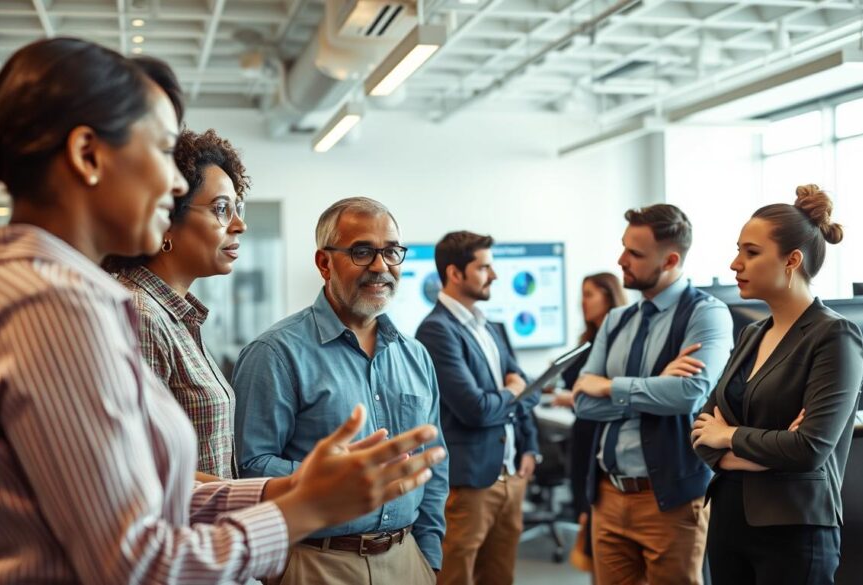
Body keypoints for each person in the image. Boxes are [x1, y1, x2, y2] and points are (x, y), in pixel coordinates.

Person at [0, 38, 444, 584]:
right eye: (159, 150)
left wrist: (289, 489)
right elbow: (136, 562)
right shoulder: (56, 309)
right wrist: (304, 510)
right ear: (88, 155)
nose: (176, 182)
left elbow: (157, 496)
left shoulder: (53, 291)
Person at [232, 197, 449, 585]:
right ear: (324, 263)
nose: (381, 267)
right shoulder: (275, 354)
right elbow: (251, 467)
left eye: (391, 252)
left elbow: (433, 464)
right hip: (319, 562)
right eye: (362, 252)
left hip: (407, 559)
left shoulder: (415, 355)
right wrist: (340, 479)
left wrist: (429, 557)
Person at [692, 185, 863, 585]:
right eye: (738, 250)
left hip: (793, 530)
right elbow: (701, 434)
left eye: (751, 253)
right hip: (729, 522)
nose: (736, 263)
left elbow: (808, 450)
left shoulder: (834, 336)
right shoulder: (752, 333)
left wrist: (729, 435)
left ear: (792, 260)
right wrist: (763, 450)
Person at [572, 204, 733, 585]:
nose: (621, 260)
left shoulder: (707, 314)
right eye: (624, 247)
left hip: (670, 500)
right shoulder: (616, 319)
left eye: (635, 253)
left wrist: (613, 386)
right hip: (608, 495)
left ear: (671, 259)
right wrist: (656, 384)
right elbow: (582, 401)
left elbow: (688, 394)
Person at [105, 128, 249, 479]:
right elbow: (140, 469)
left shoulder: (177, 316)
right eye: (221, 209)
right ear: (166, 221)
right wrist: (280, 494)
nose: (239, 225)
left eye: (237, 208)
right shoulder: (141, 314)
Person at [415, 231, 541, 585]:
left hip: (511, 474)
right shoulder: (435, 331)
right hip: (469, 483)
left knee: (500, 575)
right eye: (484, 267)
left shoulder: (492, 326)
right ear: (455, 273)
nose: (494, 275)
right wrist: (514, 392)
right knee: (456, 574)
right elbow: (475, 409)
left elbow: (527, 392)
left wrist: (530, 445)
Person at [550, 272, 626, 573]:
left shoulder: (620, 340)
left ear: (609, 296)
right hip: (582, 433)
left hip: (601, 433)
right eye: (582, 294)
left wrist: (575, 397)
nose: (583, 302)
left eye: (590, 294)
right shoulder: (587, 341)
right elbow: (582, 385)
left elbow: (605, 390)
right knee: (585, 509)